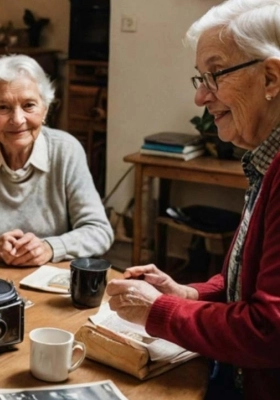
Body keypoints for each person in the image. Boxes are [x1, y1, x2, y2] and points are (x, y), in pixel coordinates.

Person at [106, 1, 280, 398]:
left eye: (215, 75)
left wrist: (158, 311)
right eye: (200, 78)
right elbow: (248, 284)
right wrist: (187, 294)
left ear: (271, 78)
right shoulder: (266, 160)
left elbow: (269, 330)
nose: (201, 96)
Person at [0, 54, 113, 267]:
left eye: (29, 105)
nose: (18, 120)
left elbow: (99, 230)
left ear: (45, 109)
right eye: (3, 107)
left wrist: (49, 247)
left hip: (49, 279)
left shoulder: (66, 150)